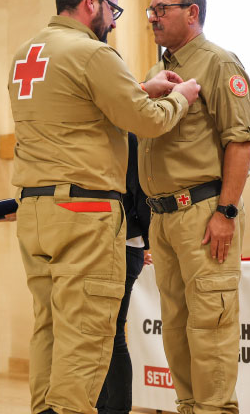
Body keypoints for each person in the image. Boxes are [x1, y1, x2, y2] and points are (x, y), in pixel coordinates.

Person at [7, 0, 200, 414]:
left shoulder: (26, 53)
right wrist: (181, 97)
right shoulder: (92, 53)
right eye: (113, 9)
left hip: (35, 211)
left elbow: (78, 109)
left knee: (50, 329)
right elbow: (147, 122)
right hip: (85, 213)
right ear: (91, 2)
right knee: (87, 335)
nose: (114, 21)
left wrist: (138, 88)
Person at [140, 0, 250, 414]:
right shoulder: (156, 74)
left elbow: (240, 143)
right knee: (175, 324)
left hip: (205, 212)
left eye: (162, 9)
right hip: (163, 217)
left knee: (211, 323)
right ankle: (189, 407)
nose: (152, 17)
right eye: (150, 10)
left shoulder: (218, 64)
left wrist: (226, 211)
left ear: (192, 13)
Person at [95, 132, 151, 414]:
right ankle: (100, 406)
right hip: (108, 242)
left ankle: (114, 409)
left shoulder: (124, 134)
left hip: (123, 242)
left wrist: (145, 239)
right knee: (99, 333)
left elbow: (139, 190)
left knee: (110, 332)